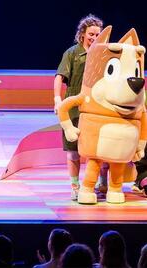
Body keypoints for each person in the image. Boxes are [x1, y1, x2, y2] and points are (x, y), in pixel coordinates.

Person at [54, 14, 103, 200]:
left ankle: (101, 182)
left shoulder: (102, 54)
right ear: (82, 33)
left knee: (98, 150)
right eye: (91, 34)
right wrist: (57, 99)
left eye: (97, 34)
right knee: (73, 151)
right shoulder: (72, 53)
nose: (94, 38)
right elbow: (59, 77)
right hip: (74, 106)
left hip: (96, 106)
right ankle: (75, 186)